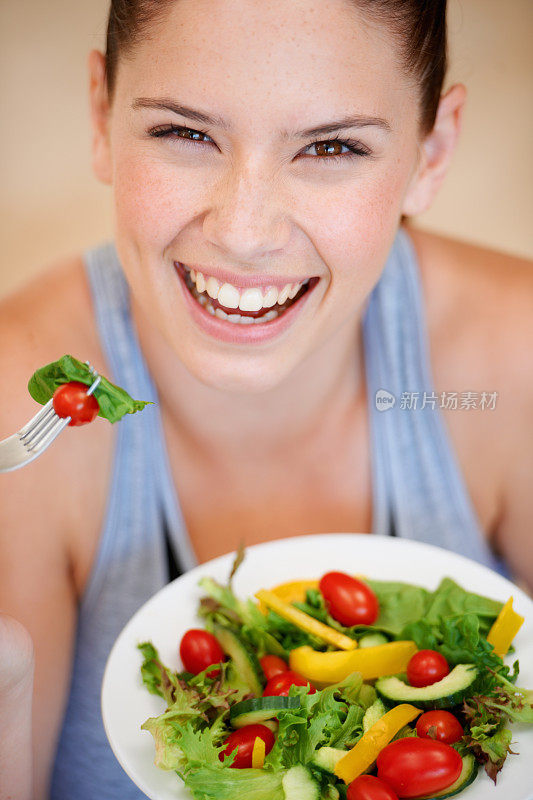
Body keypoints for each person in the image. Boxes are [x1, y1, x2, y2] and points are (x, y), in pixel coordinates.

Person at [0, 0, 532, 797]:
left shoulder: (509, 355)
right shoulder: (23, 402)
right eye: (184, 133)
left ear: (432, 151)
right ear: (102, 113)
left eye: (331, 146)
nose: (244, 233)